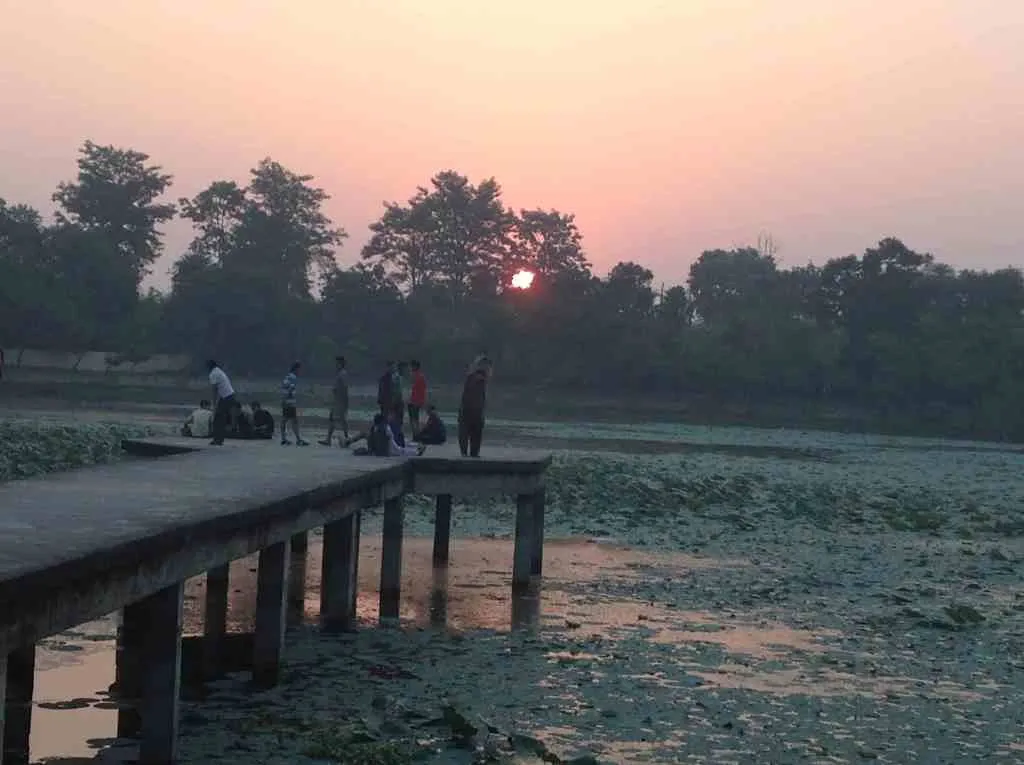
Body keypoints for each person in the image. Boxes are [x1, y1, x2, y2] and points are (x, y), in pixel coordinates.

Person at [458, 356, 491, 457]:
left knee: (468, 436)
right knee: (472, 437)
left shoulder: (476, 380)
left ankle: (468, 454)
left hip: (471, 412)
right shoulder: (475, 379)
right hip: (471, 412)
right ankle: (471, 454)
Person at [320, 355, 349, 447]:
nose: (336, 365)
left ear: (341, 364)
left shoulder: (343, 373)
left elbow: (345, 387)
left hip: (340, 401)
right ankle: (328, 439)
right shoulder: (339, 373)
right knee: (333, 419)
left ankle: (346, 438)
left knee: (341, 420)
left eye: (337, 363)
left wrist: (345, 401)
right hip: (336, 401)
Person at [207, 360, 237, 446]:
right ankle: (219, 439)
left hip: (227, 397)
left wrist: (214, 404)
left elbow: (214, 390)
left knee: (218, 419)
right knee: (221, 418)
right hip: (229, 396)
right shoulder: (219, 371)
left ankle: (218, 440)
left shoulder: (213, 374)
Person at [280, 361, 308, 445]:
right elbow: (290, 389)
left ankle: (284, 438)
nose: (300, 371)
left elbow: (284, 387)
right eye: (300, 369)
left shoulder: (287, 376)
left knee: (286, 419)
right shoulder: (293, 377)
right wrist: (288, 400)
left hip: (286, 400)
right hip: (289, 402)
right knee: (292, 420)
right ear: (296, 369)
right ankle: (298, 440)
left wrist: (283, 399)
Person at [408, 360, 427, 435]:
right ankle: (416, 434)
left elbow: (420, 390)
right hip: (415, 401)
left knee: (414, 419)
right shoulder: (419, 376)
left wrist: (419, 401)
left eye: (412, 366)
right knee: (414, 419)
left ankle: (416, 434)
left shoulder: (417, 376)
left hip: (415, 401)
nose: (410, 368)